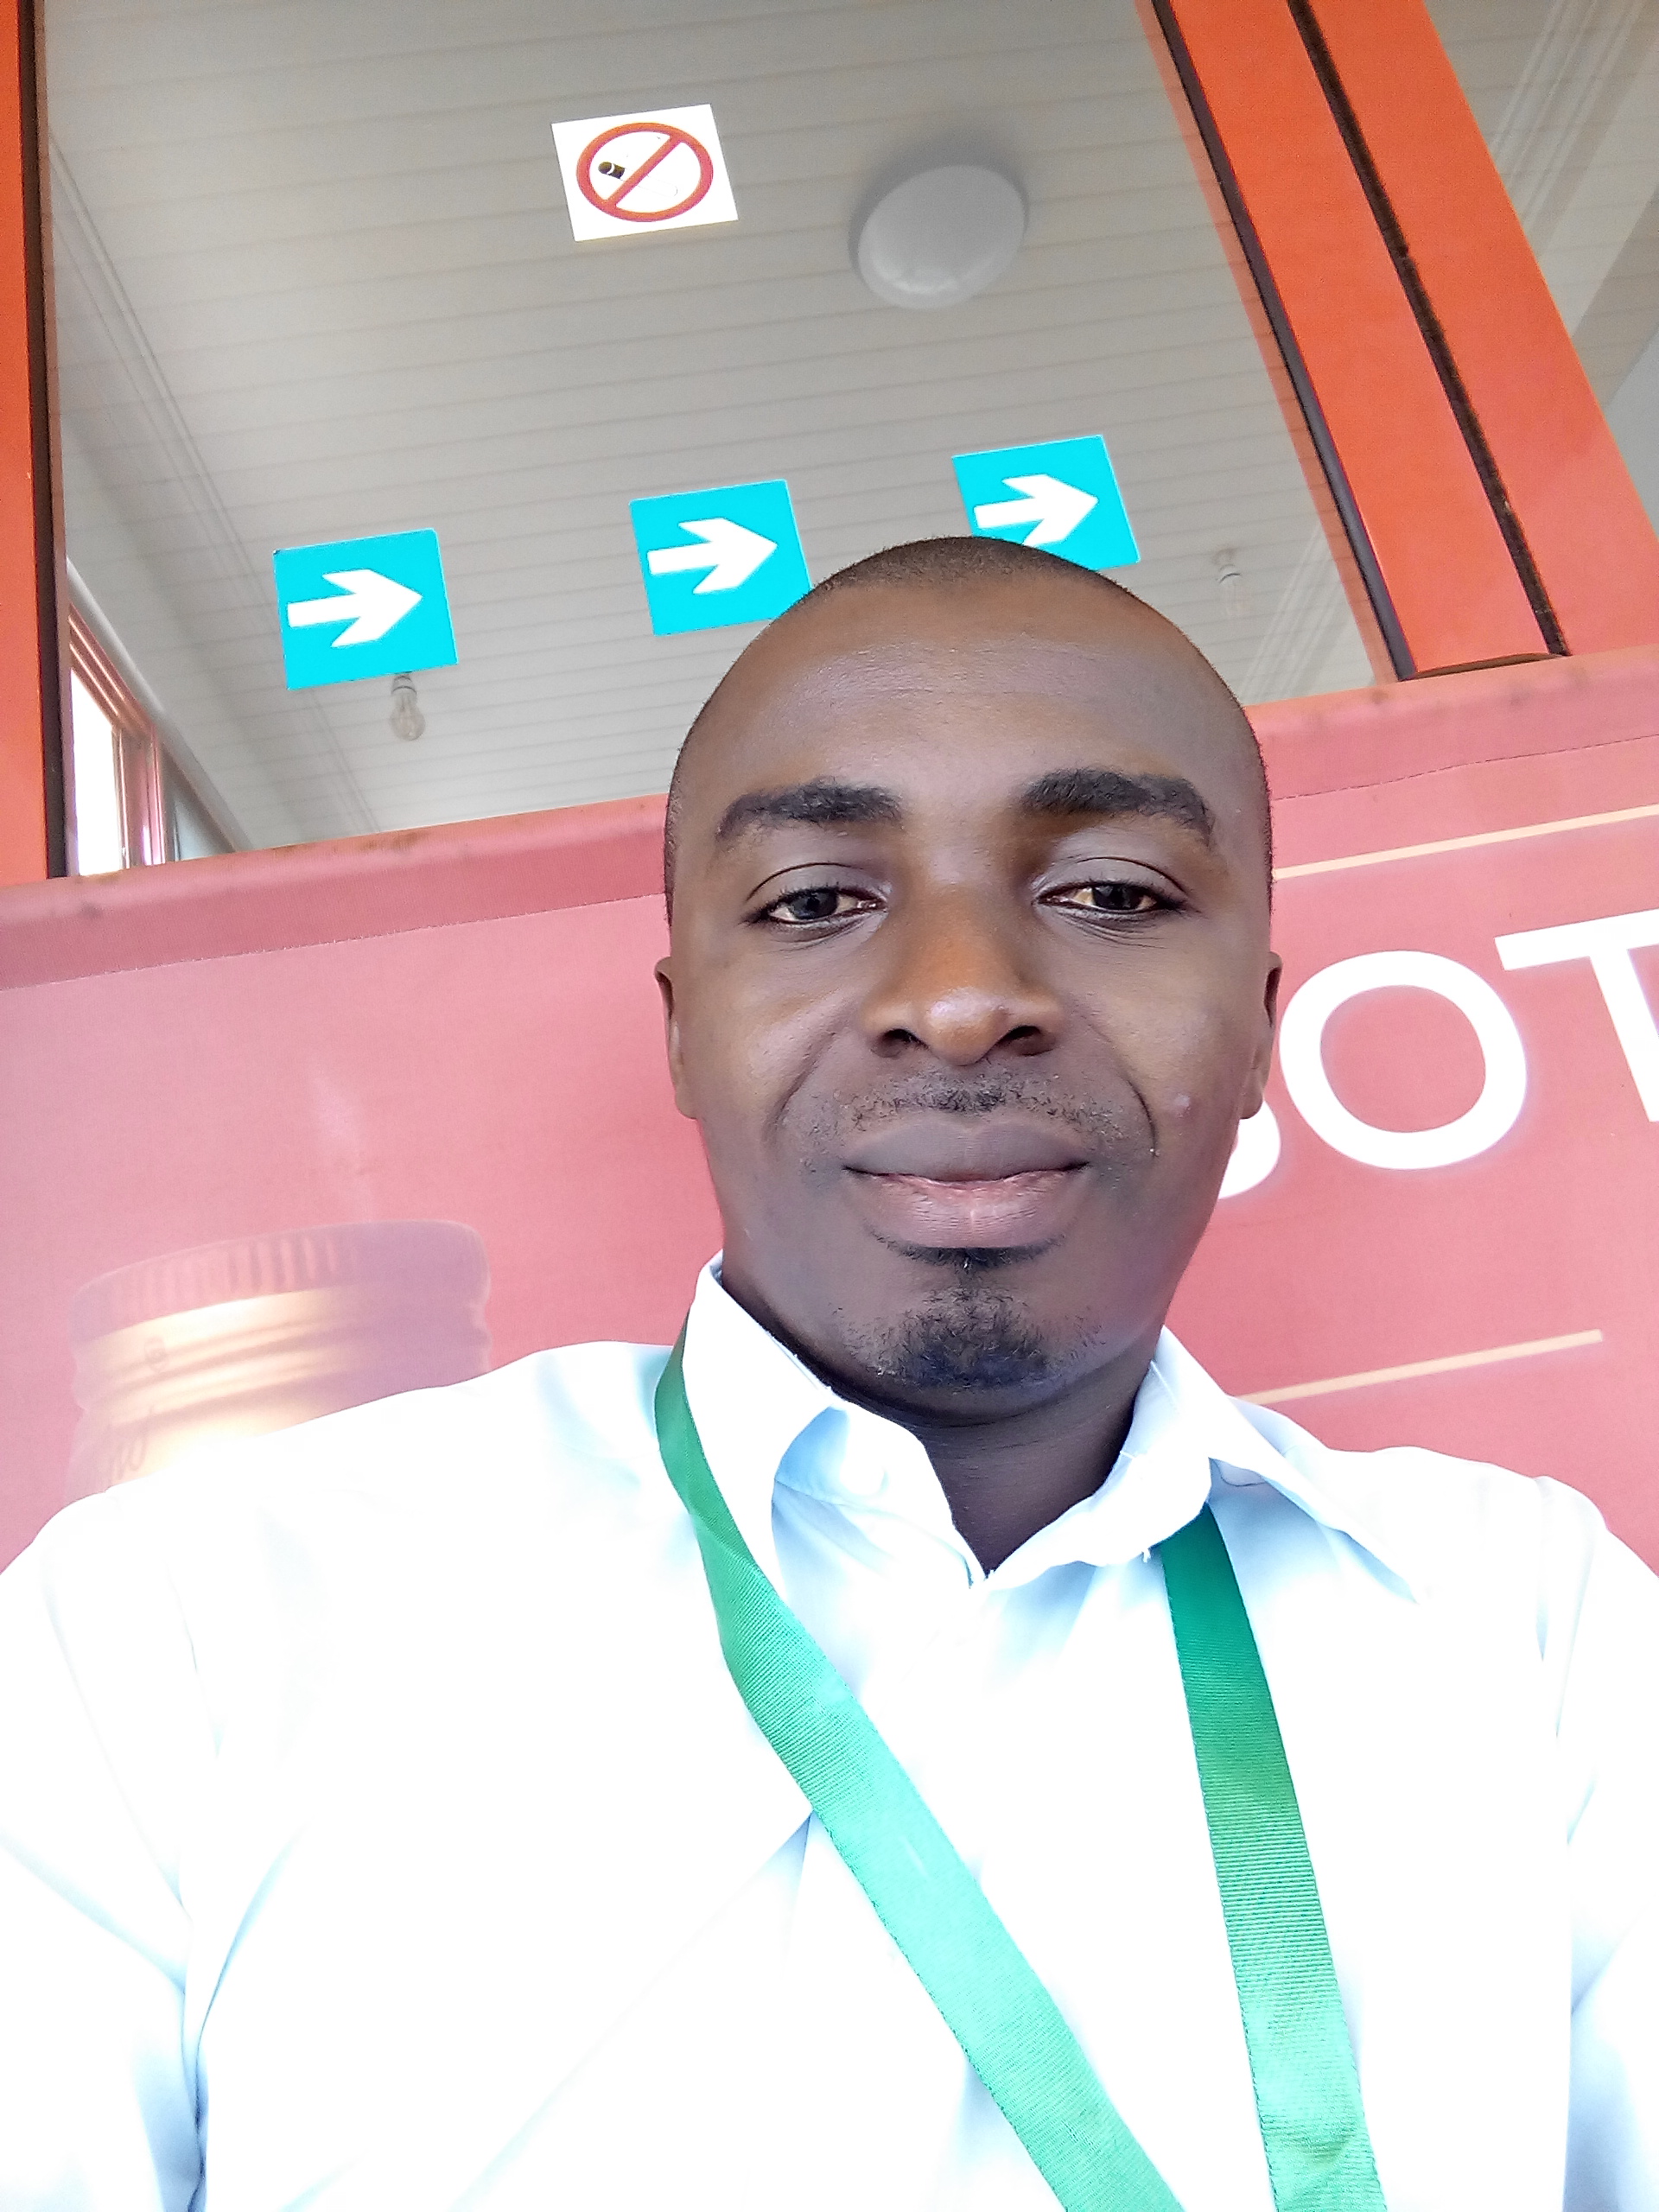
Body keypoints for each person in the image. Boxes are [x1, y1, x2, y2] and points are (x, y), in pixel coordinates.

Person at [1, 537, 1654, 2212]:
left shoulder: (1529, 1619)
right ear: (682, 1028)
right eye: (813, 901)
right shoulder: (180, 1624)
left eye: (1113, 893)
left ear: (1259, 1027)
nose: (962, 998)